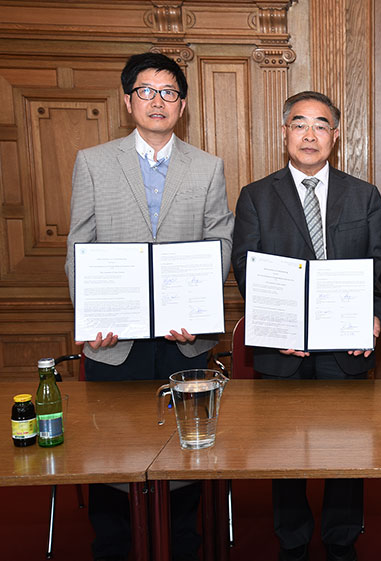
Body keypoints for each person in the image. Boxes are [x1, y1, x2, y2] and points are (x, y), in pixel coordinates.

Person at [64, 52, 234, 561]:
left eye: (169, 93)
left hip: (184, 343)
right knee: (110, 460)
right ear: (127, 100)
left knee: (186, 459)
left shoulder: (207, 166)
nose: (157, 101)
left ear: (182, 105)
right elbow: (80, 247)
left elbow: (219, 241)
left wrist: (202, 312)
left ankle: (182, 548)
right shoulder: (93, 161)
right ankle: (113, 549)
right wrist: (92, 318)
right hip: (114, 345)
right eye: (146, 91)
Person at [231, 91, 381, 561]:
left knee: (347, 452)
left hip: (346, 348)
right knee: (284, 454)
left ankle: (342, 541)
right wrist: (281, 328)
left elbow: (380, 262)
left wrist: (375, 316)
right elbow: (246, 268)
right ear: (284, 133)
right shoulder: (256, 196)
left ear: (335, 136)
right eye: (299, 124)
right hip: (281, 351)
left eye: (320, 125)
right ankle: (293, 541)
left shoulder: (363, 195)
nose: (309, 134)